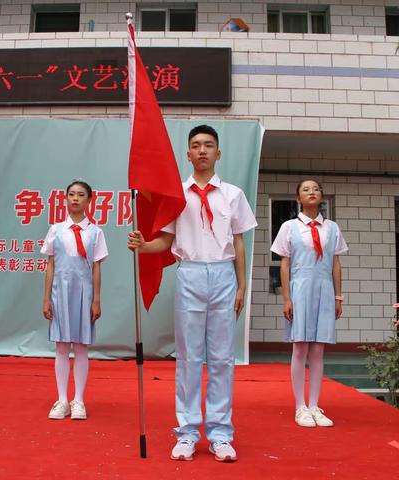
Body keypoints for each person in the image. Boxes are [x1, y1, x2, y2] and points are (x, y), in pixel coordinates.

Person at [128, 125, 257, 462]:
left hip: (224, 274)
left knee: (221, 358)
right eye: (196, 146)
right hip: (191, 274)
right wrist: (143, 246)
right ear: (187, 154)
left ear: (218, 153)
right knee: (188, 357)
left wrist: (242, 285)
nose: (202, 150)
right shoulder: (177, 196)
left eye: (208, 145)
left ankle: (220, 433)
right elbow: (165, 243)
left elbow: (239, 242)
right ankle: (186, 432)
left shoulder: (233, 195)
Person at [270, 179, 348, 428]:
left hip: (324, 289)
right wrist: (286, 298)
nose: (311, 192)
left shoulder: (332, 228)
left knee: (318, 349)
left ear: (321, 196)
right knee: (300, 347)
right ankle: (300, 407)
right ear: (298, 199)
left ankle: (314, 405)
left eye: (315, 189)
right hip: (300, 289)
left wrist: (338, 296)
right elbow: (285, 263)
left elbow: (335, 264)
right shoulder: (289, 227)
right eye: (306, 189)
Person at [41, 180, 108, 420]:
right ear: (65, 199)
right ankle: (61, 400)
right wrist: (46, 298)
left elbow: (97, 267)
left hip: (84, 294)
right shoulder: (56, 230)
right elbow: (50, 265)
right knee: (61, 345)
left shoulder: (95, 232)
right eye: (71, 194)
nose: (75, 199)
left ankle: (78, 399)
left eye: (81, 195)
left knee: (81, 346)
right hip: (60, 292)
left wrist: (96, 299)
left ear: (89, 201)